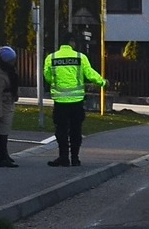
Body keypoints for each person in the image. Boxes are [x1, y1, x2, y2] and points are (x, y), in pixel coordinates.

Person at [44, 32, 107, 167]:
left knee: (61, 130)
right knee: (75, 130)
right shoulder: (80, 57)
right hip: (76, 101)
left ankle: (63, 157)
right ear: (72, 42)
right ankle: (75, 158)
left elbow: (47, 77)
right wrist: (102, 82)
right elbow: (89, 73)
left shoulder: (52, 57)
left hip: (60, 102)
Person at [0, 46, 19, 168]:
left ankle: (4, 154)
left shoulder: (6, 69)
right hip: (3, 103)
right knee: (3, 130)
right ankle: (3, 157)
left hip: (8, 101)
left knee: (5, 130)